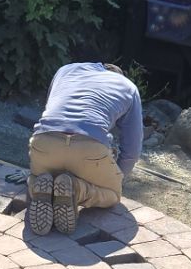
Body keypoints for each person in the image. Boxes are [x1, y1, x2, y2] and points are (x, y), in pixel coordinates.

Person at [27, 60, 144, 235]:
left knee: (38, 177)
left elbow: (52, 108)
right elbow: (132, 151)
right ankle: (77, 190)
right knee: (112, 195)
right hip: (90, 148)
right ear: (118, 76)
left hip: (44, 140)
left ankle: (38, 185)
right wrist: (116, 177)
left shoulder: (65, 70)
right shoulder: (129, 87)